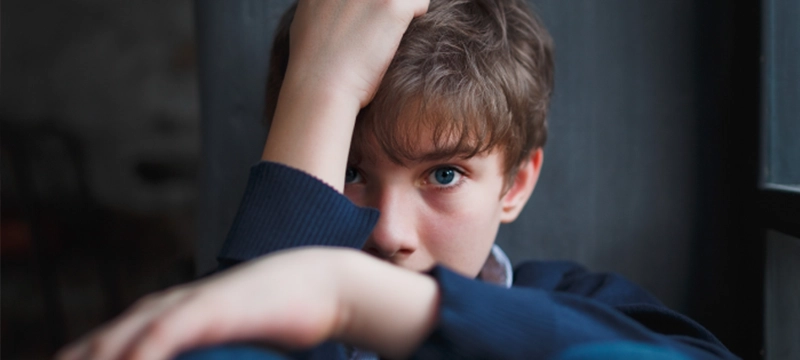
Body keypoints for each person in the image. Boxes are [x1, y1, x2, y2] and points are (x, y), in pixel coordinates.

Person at [58, 0, 739, 359]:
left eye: (443, 174)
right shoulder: (217, 310)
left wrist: (350, 295)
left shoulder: (581, 308)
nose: (387, 233)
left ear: (516, 183)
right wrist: (319, 87)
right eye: (350, 171)